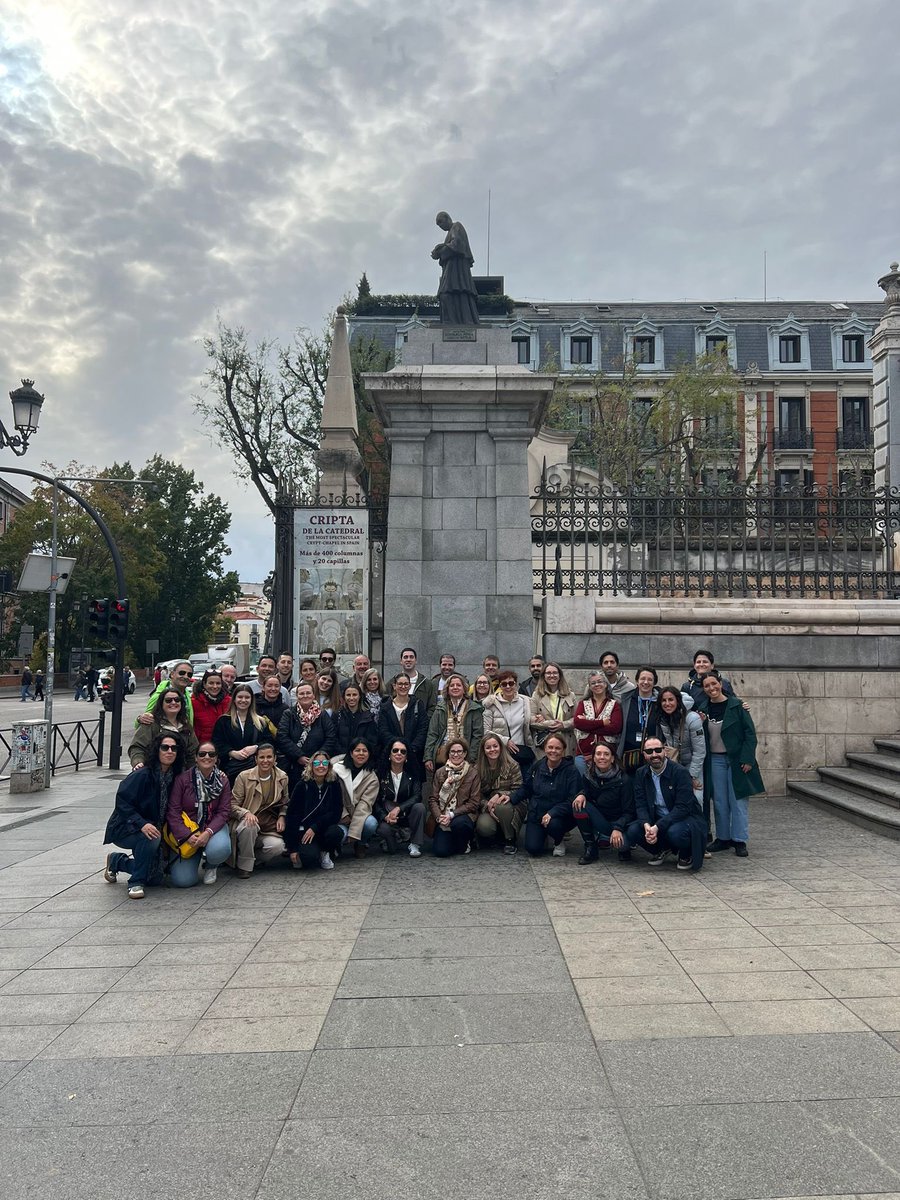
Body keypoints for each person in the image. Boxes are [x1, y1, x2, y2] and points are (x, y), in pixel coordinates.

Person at [103, 734, 184, 899]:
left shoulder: (175, 776)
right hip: (126, 827)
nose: (170, 751)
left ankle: (117, 861)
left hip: (155, 828)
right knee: (151, 837)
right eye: (165, 747)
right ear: (157, 750)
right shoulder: (142, 774)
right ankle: (136, 882)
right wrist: (142, 824)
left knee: (155, 877)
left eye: (174, 748)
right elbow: (122, 802)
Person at [694, 670, 765, 857]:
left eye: (714, 684)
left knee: (738, 800)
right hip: (715, 760)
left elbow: (750, 734)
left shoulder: (737, 705)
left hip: (736, 759)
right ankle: (723, 838)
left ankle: (739, 839)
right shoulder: (702, 709)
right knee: (719, 801)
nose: (711, 688)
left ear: (721, 683)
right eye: (707, 686)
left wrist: (747, 758)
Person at [632, 736, 707, 871]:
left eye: (658, 750)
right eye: (649, 751)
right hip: (658, 818)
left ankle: (686, 854)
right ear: (644, 755)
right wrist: (647, 825)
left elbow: (683, 808)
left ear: (665, 751)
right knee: (634, 830)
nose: (654, 755)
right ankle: (662, 849)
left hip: (685, 818)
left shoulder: (680, 772)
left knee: (675, 833)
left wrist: (657, 827)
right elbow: (640, 804)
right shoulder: (640, 773)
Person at [164, 742, 233, 887]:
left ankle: (211, 865)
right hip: (188, 830)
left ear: (216, 758)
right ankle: (192, 856)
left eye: (211, 754)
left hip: (212, 827)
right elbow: (173, 811)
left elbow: (224, 812)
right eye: (202, 754)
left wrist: (208, 832)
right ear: (196, 758)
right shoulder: (182, 780)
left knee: (220, 849)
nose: (207, 757)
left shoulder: (223, 780)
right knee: (183, 881)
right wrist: (187, 835)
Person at [508, 732, 579, 857]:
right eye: (550, 747)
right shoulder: (537, 766)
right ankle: (544, 835)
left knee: (554, 825)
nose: (553, 751)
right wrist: (510, 798)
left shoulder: (571, 771)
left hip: (559, 816)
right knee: (533, 848)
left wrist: (553, 813)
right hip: (537, 813)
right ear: (545, 748)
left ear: (563, 750)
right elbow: (527, 788)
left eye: (557, 748)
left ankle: (558, 840)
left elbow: (572, 798)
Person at [572, 743, 641, 864]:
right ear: (594, 758)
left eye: (606, 754)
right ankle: (590, 847)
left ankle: (625, 849)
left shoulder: (624, 780)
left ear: (612, 758)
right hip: (602, 820)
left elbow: (630, 811)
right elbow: (586, 792)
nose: (602, 757)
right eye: (598, 754)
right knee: (578, 805)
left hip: (621, 822)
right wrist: (581, 794)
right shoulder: (588, 776)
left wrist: (618, 828)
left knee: (622, 845)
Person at [229, 743, 289, 878]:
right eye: (261, 757)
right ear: (256, 759)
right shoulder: (244, 777)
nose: (265, 761)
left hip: (267, 825)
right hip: (245, 823)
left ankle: (249, 859)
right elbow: (231, 805)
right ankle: (244, 867)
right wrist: (246, 813)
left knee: (278, 846)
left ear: (275, 758)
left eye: (269, 757)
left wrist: (282, 816)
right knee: (250, 825)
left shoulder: (282, 777)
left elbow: (285, 801)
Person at [283, 752, 345, 870]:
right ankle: (311, 852)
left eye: (324, 763)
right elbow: (292, 816)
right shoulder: (302, 785)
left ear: (329, 766)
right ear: (311, 766)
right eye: (317, 763)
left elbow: (336, 812)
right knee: (308, 858)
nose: (321, 766)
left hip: (323, 828)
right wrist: (293, 848)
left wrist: (315, 827)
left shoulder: (333, 784)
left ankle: (325, 852)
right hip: (305, 831)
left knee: (336, 832)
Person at [656, 686, 707, 826]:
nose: (667, 703)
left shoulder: (693, 718)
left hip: (692, 763)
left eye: (671, 700)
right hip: (674, 763)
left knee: (696, 798)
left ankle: (698, 831)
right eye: (664, 700)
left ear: (678, 700)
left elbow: (700, 751)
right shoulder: (663, 718)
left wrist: (691, 776)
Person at [276, 682, 335, 791]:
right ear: (297, 696)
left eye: (308, 693)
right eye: (302, 693)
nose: (305, 696)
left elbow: (331, 737)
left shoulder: (322, 715)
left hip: (318, 765)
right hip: (294, 765)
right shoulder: (289, 714)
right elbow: (282, 737)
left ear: (313, 695)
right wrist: (299, 756)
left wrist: (318, 758)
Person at [429, 737, 481, 857]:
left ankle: (465, 841)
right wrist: (439, 817)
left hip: (463, 815)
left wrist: (452, 815)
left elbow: (474, 802)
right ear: (448, 753)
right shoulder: (440, 772)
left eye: (459, 751)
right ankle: (453, 841)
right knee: (441, 851)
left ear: (465, 753)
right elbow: (433, 799)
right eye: (452, 751)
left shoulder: (473, 773)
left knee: (460, 825)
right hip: (443, 815)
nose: (456, 754)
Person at [374, 738, 426, 857]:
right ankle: (394, 838)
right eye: (395, 750)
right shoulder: (380, 774)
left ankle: (415, 844)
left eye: (403, 751)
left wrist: (399, 808)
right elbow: (375, 801)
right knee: (390, 849)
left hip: (406, 815)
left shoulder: (413, 773)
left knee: (420, 807)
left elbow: (417, 796)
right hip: (388, 817)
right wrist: (385, 816)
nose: (399, 753)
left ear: (406, 756)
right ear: (389, 754)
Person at [424, 672, 484, 773]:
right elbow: (432, 734)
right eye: (452, 685)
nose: (455, 687)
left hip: (465, 756)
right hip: (443, 756)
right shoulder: (440, 708)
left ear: (464, 689)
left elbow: (477, 736)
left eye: (458, 685)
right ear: (447, 689)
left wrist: (471, 758)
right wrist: (428, 757)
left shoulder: (474, 709)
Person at [474, 734, 523, 853]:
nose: (492, 750)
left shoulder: (512, 765)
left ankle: (510, 839)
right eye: (488, 747)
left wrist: (500, 795)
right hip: (487, 806)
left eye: (495, 746)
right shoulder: (477, 769)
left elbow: (519, 789)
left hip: (510, 804)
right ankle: (497, 833)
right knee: (484, 827)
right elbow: (475, 794)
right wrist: (487, 805)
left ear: (500, 747)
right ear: (483, 750)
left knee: (502, 807)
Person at [128, 688, 199, 770]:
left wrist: (192, 771)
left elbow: (193, 751)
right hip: (154, 771)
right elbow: (137, 747)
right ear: (161, 704)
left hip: (181, 773)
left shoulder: (186, 726)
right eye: (168, 700)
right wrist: (138, 762)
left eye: (177, 700)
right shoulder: (151, 723)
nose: (173, 702)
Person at [212, 684, 269, 784]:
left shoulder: (260, 721)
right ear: (234, 699)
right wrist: (231, 752)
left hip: (254, 769)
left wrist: (256, 747)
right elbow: (217, 743)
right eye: (240, 697)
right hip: (230, 769)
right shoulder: (223, 721)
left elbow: (269, 741)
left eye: (247, 697)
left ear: (252, 700)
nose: (243, 700)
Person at [332, 739, 380, 857]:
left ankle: (360, 843)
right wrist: (344, 816)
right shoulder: (335, 771)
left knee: (371, 824)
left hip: (358, 815)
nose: (361, 754)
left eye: (365, 751)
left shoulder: (372, 778)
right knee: (340, 835)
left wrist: (354, 831)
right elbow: (333, 798)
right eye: (357, 750)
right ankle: (335, 847)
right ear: (351, 753)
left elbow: (365, 804)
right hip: (338, 815)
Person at [481, 670, 535, 773]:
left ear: (516, 684)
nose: (508, 687)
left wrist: (538, 718)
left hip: (521, 752)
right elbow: (486, 732)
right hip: (500, 753)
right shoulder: (491, 704)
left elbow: (530, 719)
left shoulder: (526, 701)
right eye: (504, 684)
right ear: (500, 686)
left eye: (511, 683)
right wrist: (505, 741)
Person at [431, 211, 479, 325]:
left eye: (441, 222)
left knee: (448, 292)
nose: (441, 227)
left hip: (457, 269)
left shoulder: (457, 226)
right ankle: (450, 321)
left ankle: (456, 321)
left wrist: (440, 250)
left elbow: (457, 244)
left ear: (448, 219)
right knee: (446, 294)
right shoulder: (449, 232)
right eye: (439, 225)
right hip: (451, 268)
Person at [377, 673, 427, 778]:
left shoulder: (418, 704)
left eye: (406, 684)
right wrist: (396, 748)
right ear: (394, 686)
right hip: (391, 756)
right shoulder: (385, 707)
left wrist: (410, 749)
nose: (403, 687)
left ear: (410, 686)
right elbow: (383, 730)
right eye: (400, 684)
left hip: (414, 757)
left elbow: (422, 729)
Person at [573, 671, 623, 774]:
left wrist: (587, 724)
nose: (597, 685)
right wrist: (602, 723)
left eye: (600, 681)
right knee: (582, 782)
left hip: (606, 755)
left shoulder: (615, 704)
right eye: (593, 683)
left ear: (605, 684)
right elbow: (577, 723)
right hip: (584, 753)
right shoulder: (583, 703)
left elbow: (615, 728)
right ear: (589, 687)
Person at [617, 667, 661, 775]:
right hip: (629, 755)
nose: (646, 682)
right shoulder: (626, 699)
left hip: (653, 754)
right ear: (637, 681)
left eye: (650, 679)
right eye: (642, 679)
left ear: (654, 682)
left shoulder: (660, 700)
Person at [529, 662, 577, 758]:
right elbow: (530, 719)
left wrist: (564, 724)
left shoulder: (570, 695)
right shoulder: (536, 695)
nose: (552, 675)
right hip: (546, 743)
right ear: (544, 676)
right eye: (548, 673)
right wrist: (550, 724)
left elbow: (577, 719)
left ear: (560, 675)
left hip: (566, 742)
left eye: (555, 673)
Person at [333, 683, 379, 755]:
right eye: (348, 695)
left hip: (361, 756)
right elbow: (333, 738)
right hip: (341, 756)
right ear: (344, 697)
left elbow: (372, 741)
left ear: (359, 696)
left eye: (354, 695)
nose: (351, 698)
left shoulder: (368, 717)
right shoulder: (337, 715)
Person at [191, 669, 231, 745]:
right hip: (203, 747)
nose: (215, 686)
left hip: (225, 746)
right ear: (204, 684)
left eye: (218, 683)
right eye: (211, 683)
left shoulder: (229, 702)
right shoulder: (194, 702)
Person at [399, 647, 437, 716]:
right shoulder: (392, 683)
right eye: (405, 657)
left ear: (416, 661)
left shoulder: (427, 684)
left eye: (411, 657)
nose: (408, 660)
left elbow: (432, 707)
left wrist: (424, 720)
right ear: (401, 661)